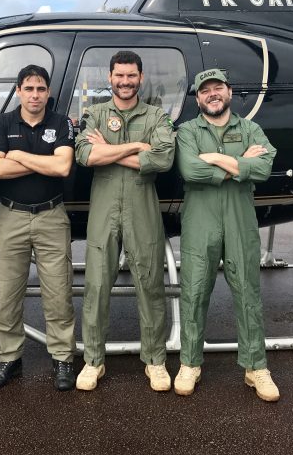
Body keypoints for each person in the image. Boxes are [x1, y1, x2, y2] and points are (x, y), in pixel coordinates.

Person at [174, 68, 279, 401]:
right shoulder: (187, 131)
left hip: (239, 220)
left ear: (229, 92)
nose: (212, 94)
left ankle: (255, 367)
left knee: (248, 292)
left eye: (218, 88)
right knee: (193, 291)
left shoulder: (250, 128)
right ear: (197, 97)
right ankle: (189, 363)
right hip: (200, 221)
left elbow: (263, 168)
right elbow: (190, 170)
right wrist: (237, 164)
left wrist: (216, 158)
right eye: (205, 90)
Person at [74, 50, 176, 392]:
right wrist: (135, 147)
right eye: (119, 75)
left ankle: (155, 360)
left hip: (142, 208)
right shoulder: (96, 114)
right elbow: (86, 155)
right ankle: (93, 361)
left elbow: (162, 160)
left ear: (141, 78)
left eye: (132, 75)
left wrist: (111, 151)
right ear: (110, 77)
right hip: (104, 210)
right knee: (97, 285)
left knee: (150, 284)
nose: (125, 81)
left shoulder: (156, 115)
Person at [0, 65, 76, 391]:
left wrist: (19, 154)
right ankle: (9, 358)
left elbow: (62, 166)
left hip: (52, 216)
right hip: (11, 217)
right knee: (6, 293)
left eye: (40, 89)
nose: (35, 94)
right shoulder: (3, 122)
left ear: (47, 92)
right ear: (19, 91)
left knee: (59, 292)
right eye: (29, 89)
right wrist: (42, 161)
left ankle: (63, 358)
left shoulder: (60, 121)